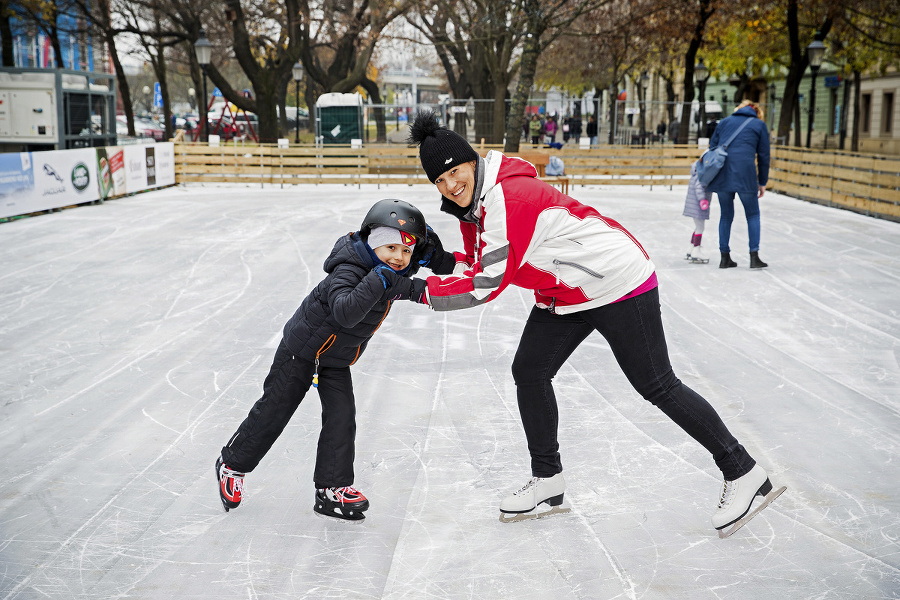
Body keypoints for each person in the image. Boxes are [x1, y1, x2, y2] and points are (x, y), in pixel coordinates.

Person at [404, 110, 784, 536]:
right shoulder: (477, 206)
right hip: (568, 291)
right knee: (530, 370)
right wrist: (439, 261)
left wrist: (416, 290)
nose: (451, 185)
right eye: (439, 181)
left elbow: (487, 283)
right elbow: (483, 263)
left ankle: (743, 472)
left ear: (472, 162)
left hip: (618, 280)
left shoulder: (510, 198)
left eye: (455, 172)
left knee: (656, 383)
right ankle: (547, 482)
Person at [214, 199, 448, 521]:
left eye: (406, 252)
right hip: (302, 349)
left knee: (342, 416)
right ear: (372, 242)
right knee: (275, 410)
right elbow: (346, 311)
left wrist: (437, 262)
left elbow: (414, 277)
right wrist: (382, 280)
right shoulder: (350, 268)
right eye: (391, 247)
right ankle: (232, 464)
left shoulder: (389, 271)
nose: (398, 257)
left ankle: (330, 489)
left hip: (335, 358)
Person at [706, 100, 770, 269]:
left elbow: (712, 147)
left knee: (726, 215)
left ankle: (724, 257)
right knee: (753, 214)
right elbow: (764, 156)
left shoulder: (725, 122)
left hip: (722, 174)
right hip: (746, 175)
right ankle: (754, 257)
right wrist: (762, 182)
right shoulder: (759, 125)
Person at [683, 158, 711, 263]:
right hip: (698, 206)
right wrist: (702, 200)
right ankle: (696, 250)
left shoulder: (695, 173)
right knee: (700, 228)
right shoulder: (700, 175)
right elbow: (699, 188)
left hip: (693, 206)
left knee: (697, 227)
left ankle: (690, 249)